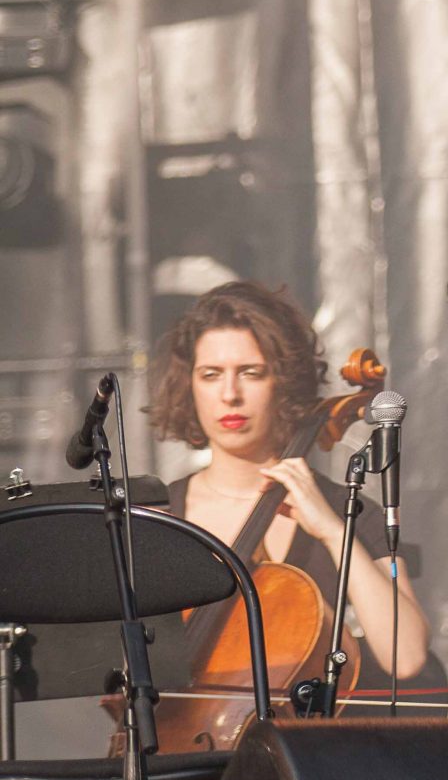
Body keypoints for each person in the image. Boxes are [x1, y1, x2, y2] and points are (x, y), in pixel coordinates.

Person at [149, 280, 433, 691]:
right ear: (189, 386)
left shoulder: (346, 511)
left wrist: (333, 532)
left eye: (251, 373)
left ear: (283, 383)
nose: (230, 394)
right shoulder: (157, 516)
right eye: (211, 375)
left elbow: (405, 657)